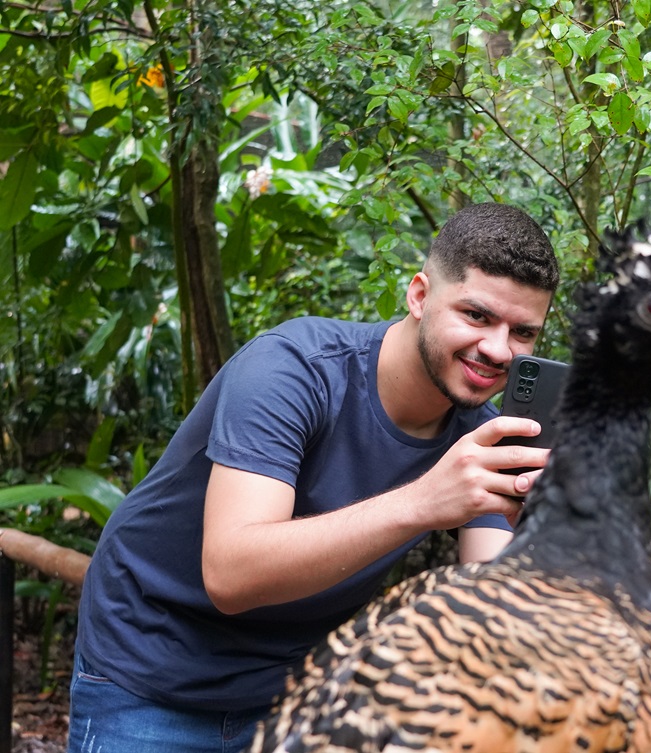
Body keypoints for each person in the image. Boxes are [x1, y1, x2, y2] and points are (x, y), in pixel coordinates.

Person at [67, 202, 561, 753]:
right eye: (476, 315)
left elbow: (492, 596)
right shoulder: (290, 369)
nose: (497, 349)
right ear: (420, 296)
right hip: (152, 668)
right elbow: (232, 576)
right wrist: (426, 500)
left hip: (294, 688)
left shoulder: (486, 432)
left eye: (522, 332)